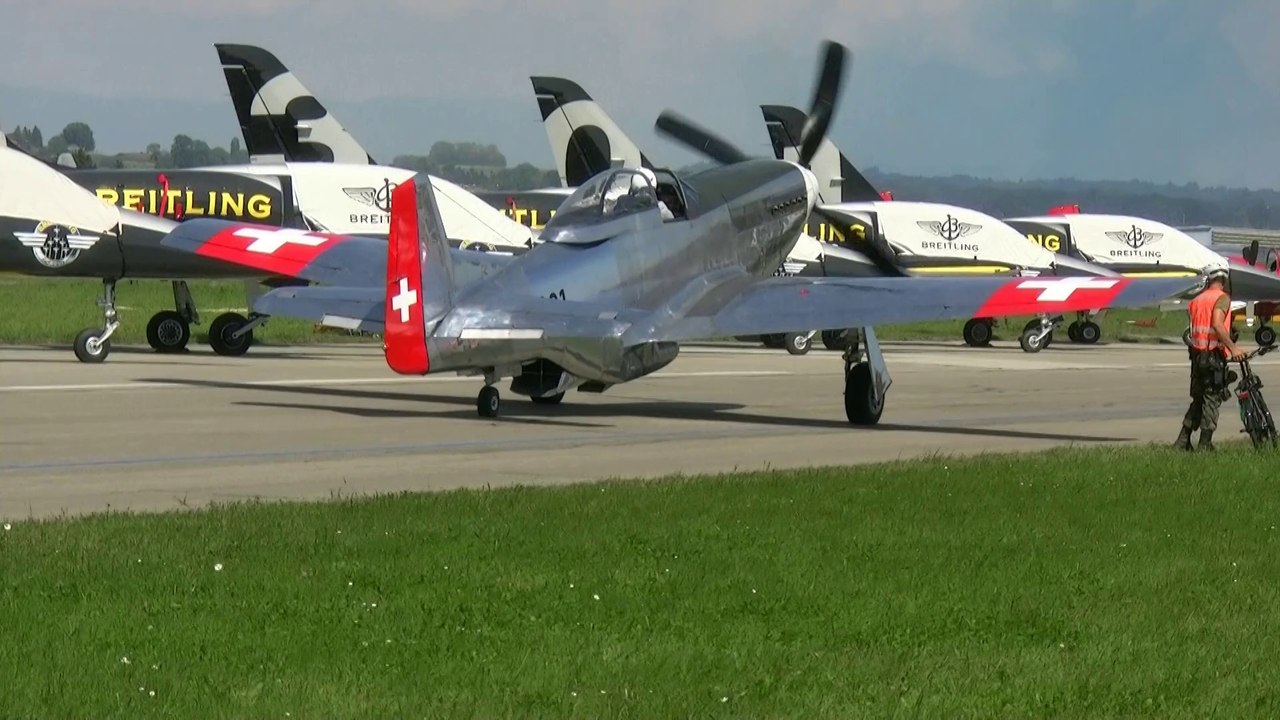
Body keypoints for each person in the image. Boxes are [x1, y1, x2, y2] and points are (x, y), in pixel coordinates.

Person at [1176, 265, 1246, 451]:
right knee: (1212, 399)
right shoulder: (1221, 298)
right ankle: (1205, 445)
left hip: (1197, 357)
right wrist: (1233, 348)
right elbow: (1216, 323)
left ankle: (1183, 440)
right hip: (1213, 357)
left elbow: (1195, 330)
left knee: (1198, 399)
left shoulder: (1196, 300)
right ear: (1224, 279)